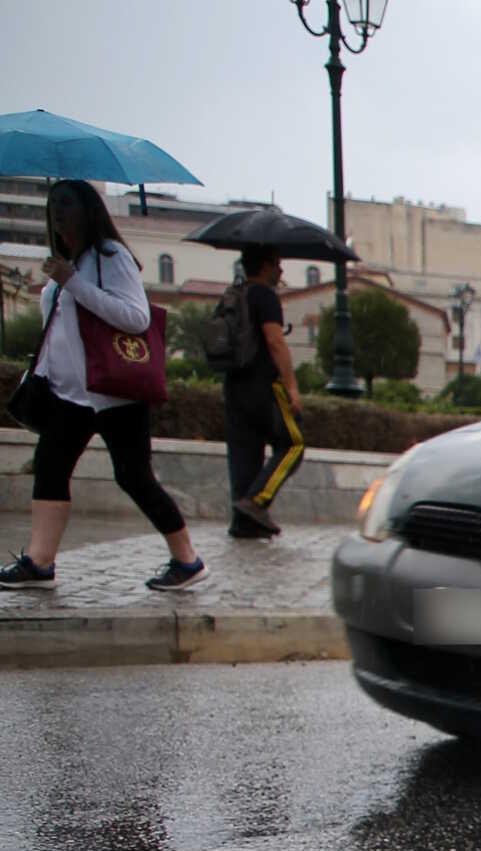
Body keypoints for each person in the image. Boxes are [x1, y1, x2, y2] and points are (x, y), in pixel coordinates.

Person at [2, 180, 204, 591]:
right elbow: (59, 329)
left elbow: (136, 318)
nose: (58, 211)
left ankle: (187, 559)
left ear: (88, 210)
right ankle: (39, 562)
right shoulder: (62, 262)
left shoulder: (111, 258)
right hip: (67, 395)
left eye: (68, 204)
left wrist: (74, 282)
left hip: (114, 392)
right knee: (50, 470)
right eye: (54, 203)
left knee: (133, 477)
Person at [223, 246, 305, 538]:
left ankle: (243, 522)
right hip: (262, 385)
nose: (281, 271)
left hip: (234, 386)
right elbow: (274, 342)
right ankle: (256, 502)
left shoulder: (236, 294)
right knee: (294, 444)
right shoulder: (264, 296)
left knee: (245, 452)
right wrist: (292, 387)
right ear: (264, 266)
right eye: (277, 264)